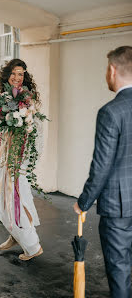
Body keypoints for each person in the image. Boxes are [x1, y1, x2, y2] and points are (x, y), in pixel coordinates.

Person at [74, 46, 132, 297]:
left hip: (119, 207)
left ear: (112, 70)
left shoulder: (111, 111)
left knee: (120, 269)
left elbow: (102, 166)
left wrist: (84, 202)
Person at [0, 59, 43, 261]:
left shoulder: (26, 98)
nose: (17, 78)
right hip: (9, 150)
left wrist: (20, 156)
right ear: (7, 75)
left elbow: (32, 126)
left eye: (21, 74)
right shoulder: (7, 96)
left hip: (20, 153)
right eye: (14, 74)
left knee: (17, 195)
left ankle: (33, 246)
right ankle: (15, 235)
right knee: (4, 196)